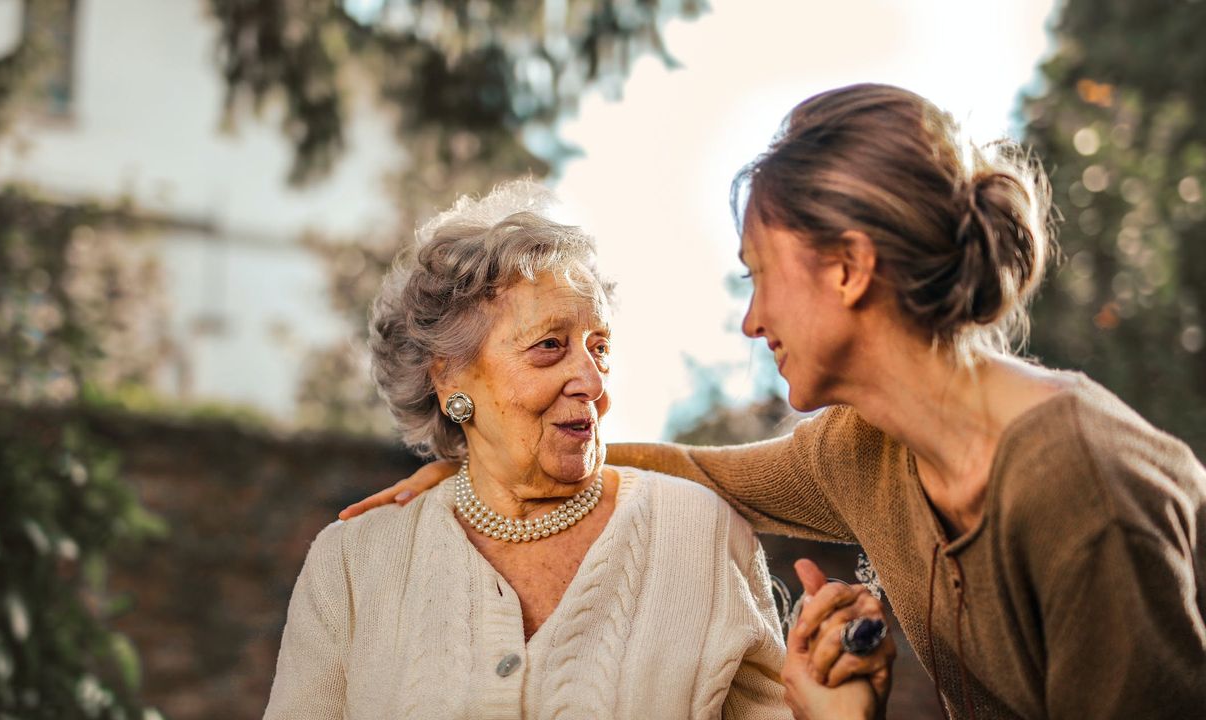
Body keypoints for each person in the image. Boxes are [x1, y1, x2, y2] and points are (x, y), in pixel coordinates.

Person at [342, 85, 1206, 719]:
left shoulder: (1080, 488)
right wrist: (485, 469)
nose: (752, 321)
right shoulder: (863, 451)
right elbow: (691, 470)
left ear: (848, 267)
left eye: (760, 277)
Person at [265, 181, 895, 719]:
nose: (593, 383)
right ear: (450, 377)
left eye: (599, 347)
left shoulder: (698, 533)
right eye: (549, 346)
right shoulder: (353, 564)